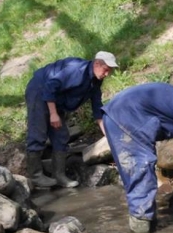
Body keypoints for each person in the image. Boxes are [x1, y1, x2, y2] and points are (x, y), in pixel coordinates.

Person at [101, 83, 173, 233]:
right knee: (141, 171)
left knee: (135, 173)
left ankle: (146, 224)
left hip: (116, 116)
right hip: (127, 118)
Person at [25, 52, 118, 189]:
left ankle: (59, 175)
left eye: (109, 71)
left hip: (57, 99)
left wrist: (106, 133)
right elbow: (50, 86)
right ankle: (36, 176)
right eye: (106, 70)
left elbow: (97, 107)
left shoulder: (96, 80)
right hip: (39, 90)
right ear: (97, 64)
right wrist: (53, 114)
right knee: (38, 133)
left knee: (61, 135)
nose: (107, 74)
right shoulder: (76, 71)